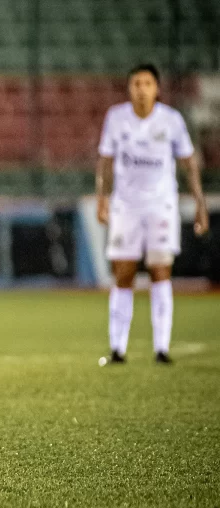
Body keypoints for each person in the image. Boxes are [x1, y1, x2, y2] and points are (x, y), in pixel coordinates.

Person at [96, 63, 209, 365]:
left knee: (161, 271)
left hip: (161, 205)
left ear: (156, 88)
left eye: (147, 83)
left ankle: (162, 347)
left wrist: (200, 203)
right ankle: (117, 348)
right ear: (129, 88)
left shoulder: (171, 121)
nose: (141, 89)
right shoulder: (116, 118)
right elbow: (105, 162)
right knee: (123, 273)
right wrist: (102, 198)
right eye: (136, 83)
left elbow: (188, 164)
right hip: (126, 207)